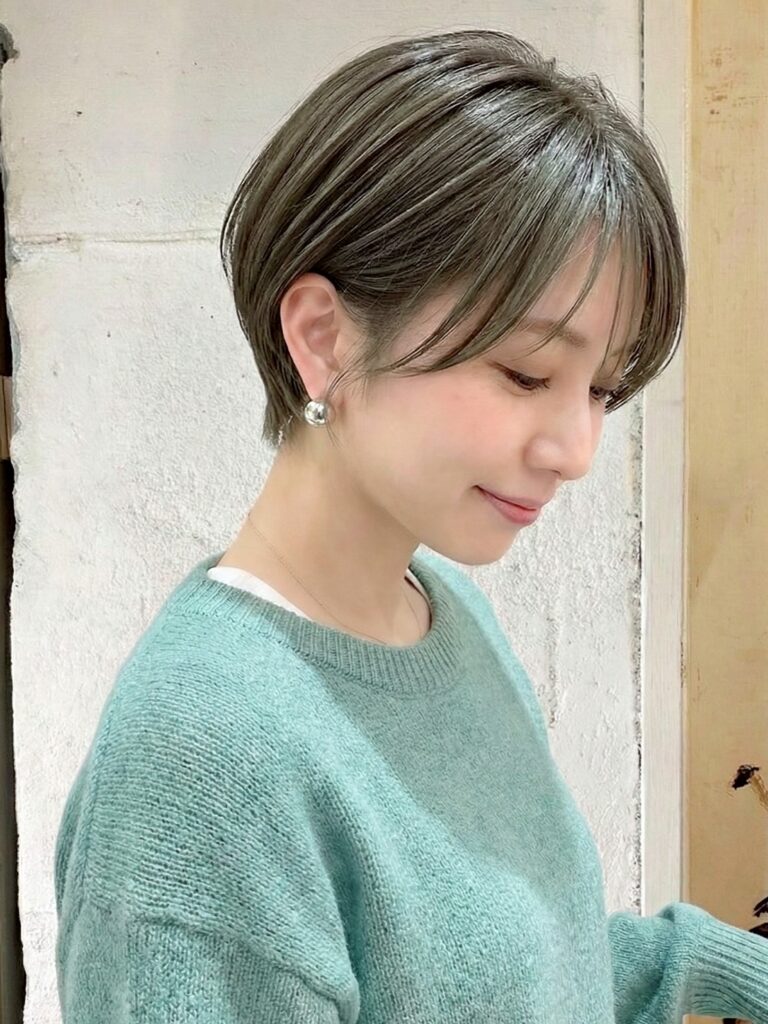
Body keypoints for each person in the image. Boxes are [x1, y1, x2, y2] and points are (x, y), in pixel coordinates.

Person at [53, 28, 768, 1023]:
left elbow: (521, 964)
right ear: (324, 338)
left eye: (602, 389)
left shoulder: (444, 614)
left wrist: (717, 965)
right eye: (526, 373)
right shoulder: (205, 765)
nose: (576, 449)